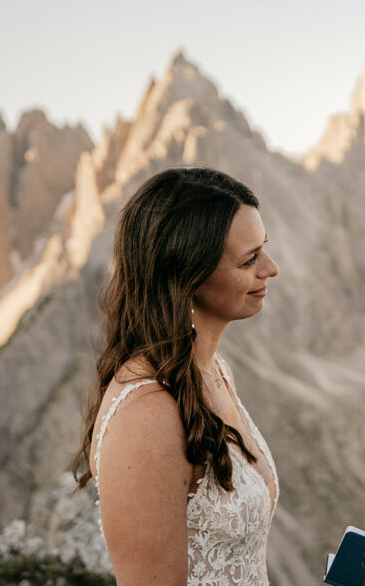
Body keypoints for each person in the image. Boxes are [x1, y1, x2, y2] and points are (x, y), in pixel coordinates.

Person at [72, 166, 280, 585]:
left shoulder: (216, 372)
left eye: (264, 249)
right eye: (249, 259)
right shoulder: (145, 416)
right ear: (189, 276)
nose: (271, 268)